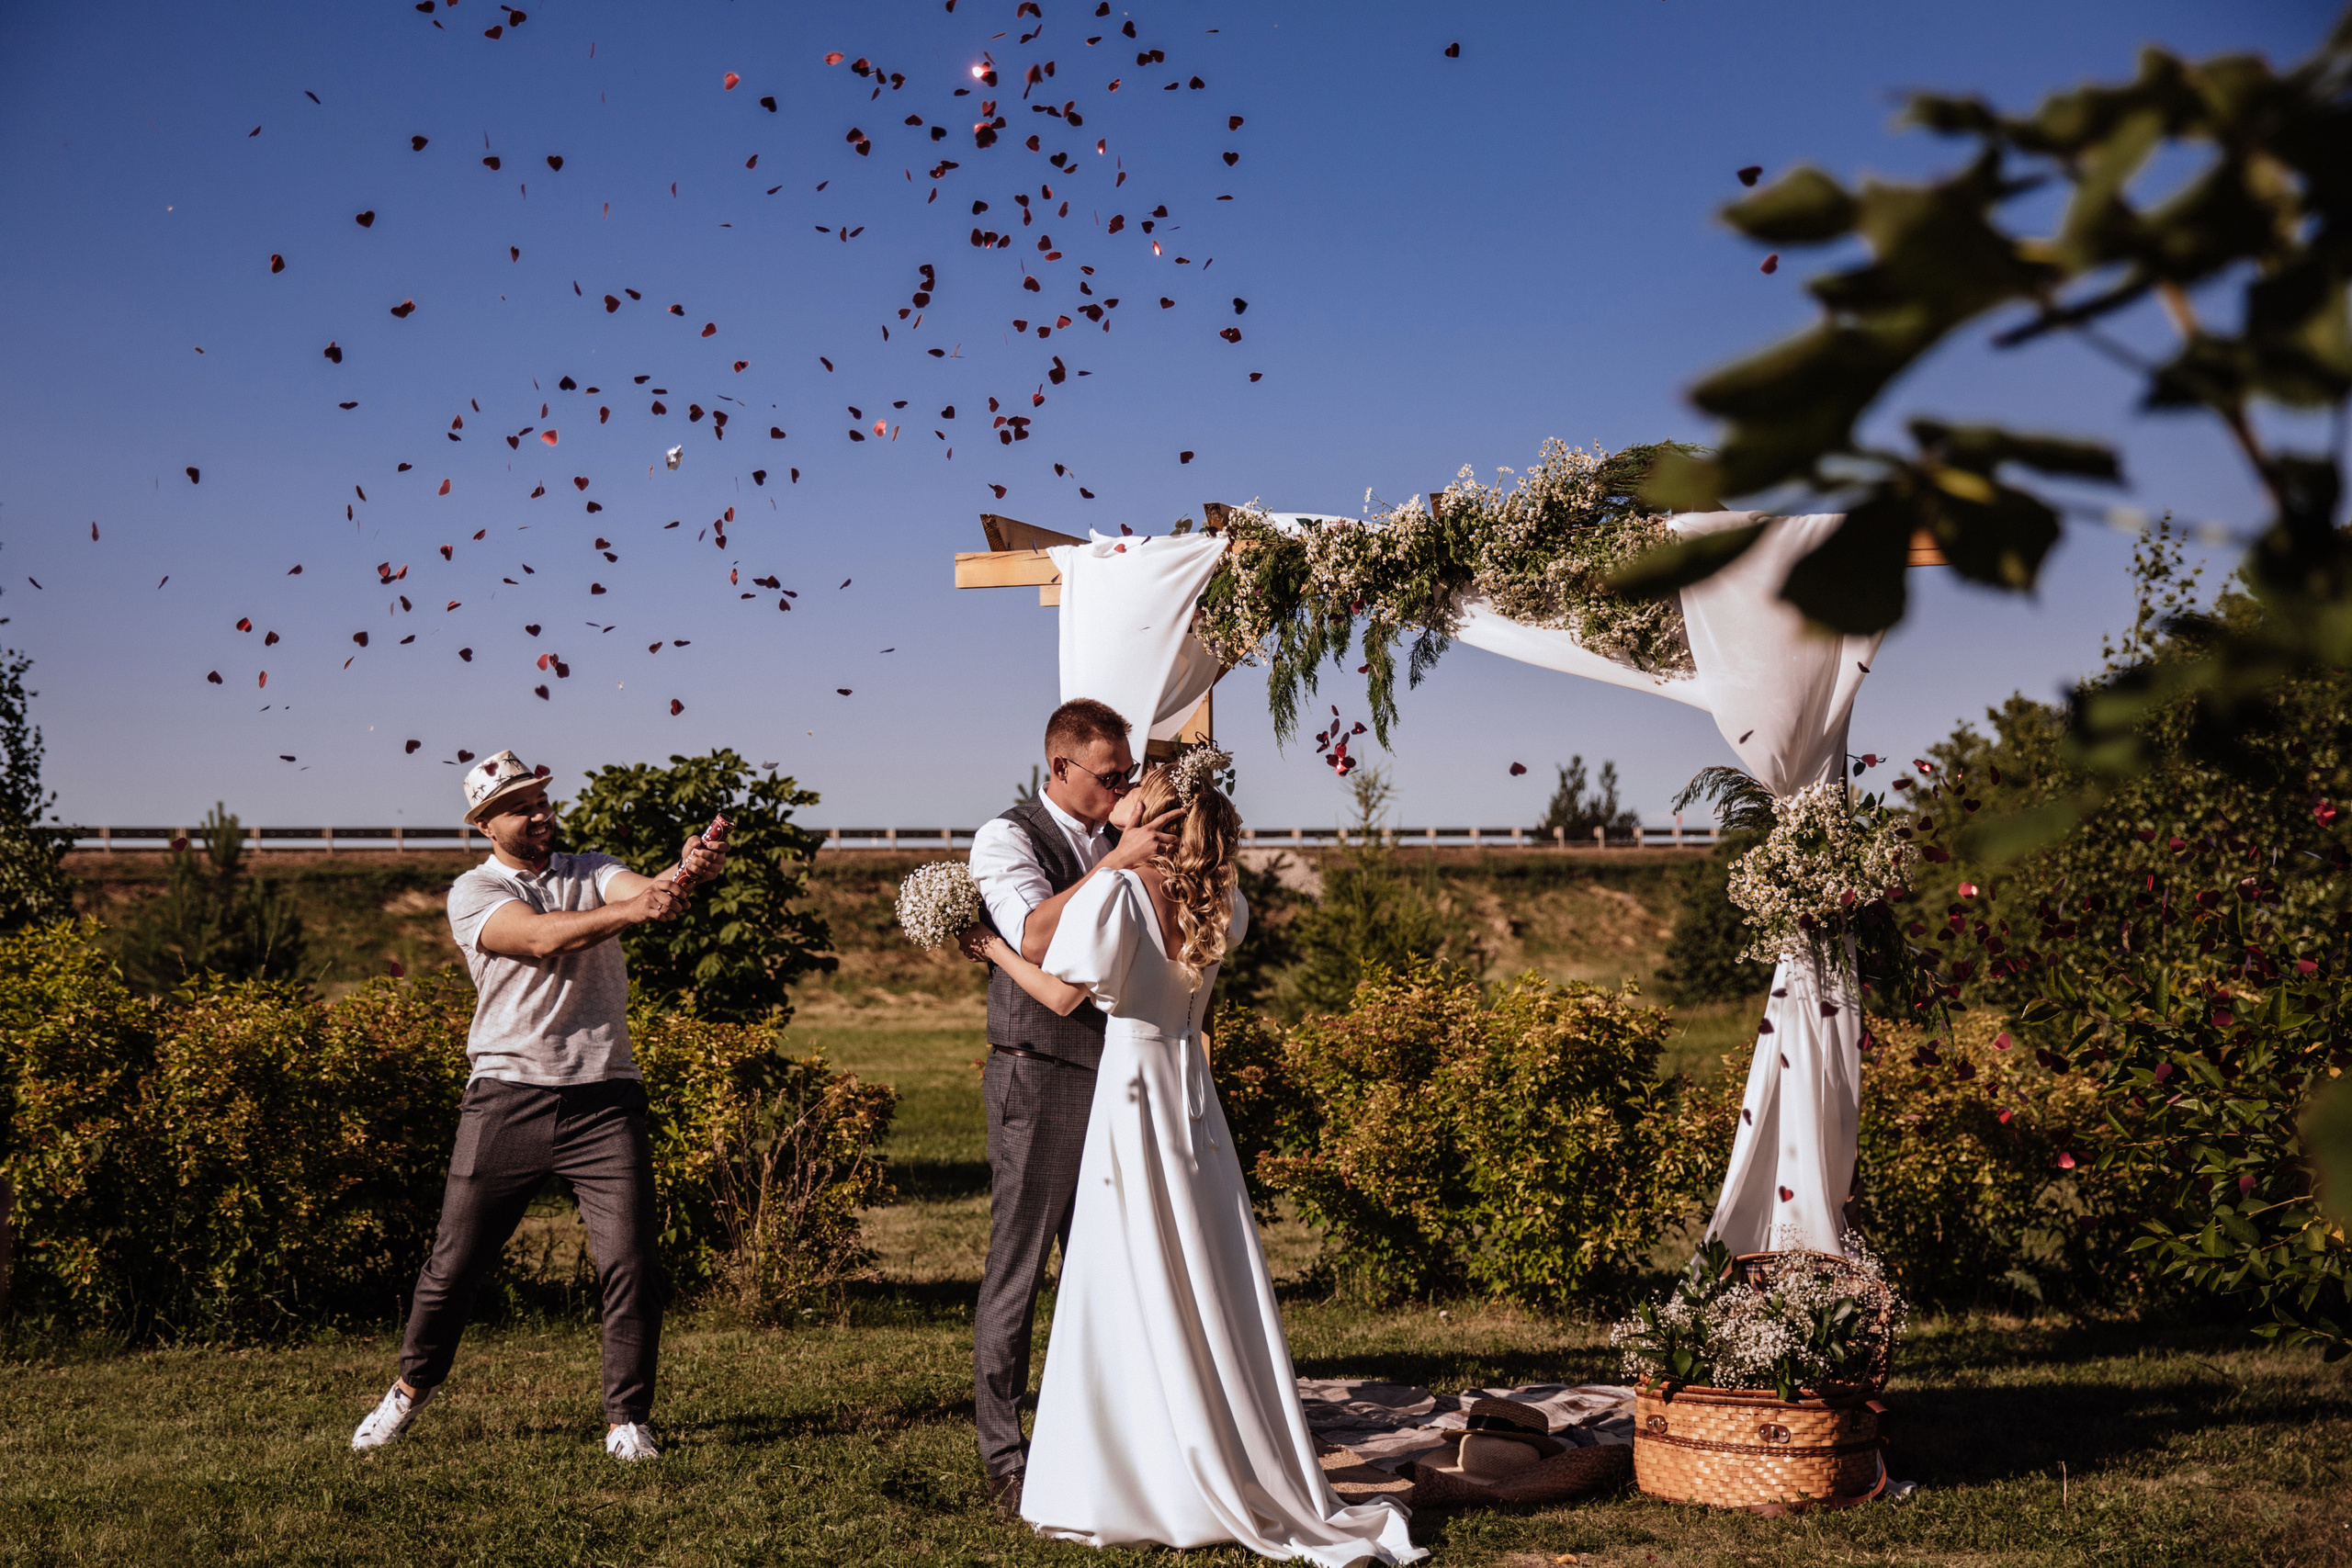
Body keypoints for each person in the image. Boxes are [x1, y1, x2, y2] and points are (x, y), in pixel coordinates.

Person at [961, 756, 1425, 1566]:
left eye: (1137, 791)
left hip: (1132, 1091)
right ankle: (1207, 1443)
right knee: (1201, 1273)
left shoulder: (1115, 893)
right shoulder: (1220, 898)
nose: (1123, 797)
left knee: (1126, 1270)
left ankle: (1132, 1470)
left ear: (1157, 813)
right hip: (1192, 1095)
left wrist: (991, 950)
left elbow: (1064, 992)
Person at [349, 749, 725, 1463]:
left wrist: (688, 868)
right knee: (452, 1266)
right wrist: (639, 906)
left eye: (544, 799)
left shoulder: (590, 869)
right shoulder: (474, 891)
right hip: (506, 1098)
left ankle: (626, 1418)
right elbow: (542, 938)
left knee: (632, 1262)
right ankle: (407, 1390)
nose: (542, 812)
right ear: (487, 823)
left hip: (605, 1098)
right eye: (523, 805)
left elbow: (646, 888)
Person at [964, 697, 1181, 1517]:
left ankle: (1106, 1432)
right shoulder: (1008, 837)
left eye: (1127, 772)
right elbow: (1033, 936)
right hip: (1042, 1072)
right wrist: (1116, 860)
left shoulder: (1127, 829)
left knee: (1111, 1263)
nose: (1120, 784)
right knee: (1019, 1267)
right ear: (1059, 766)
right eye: (1108, 774)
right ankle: (1005, 1452)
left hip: (1125, 1076)